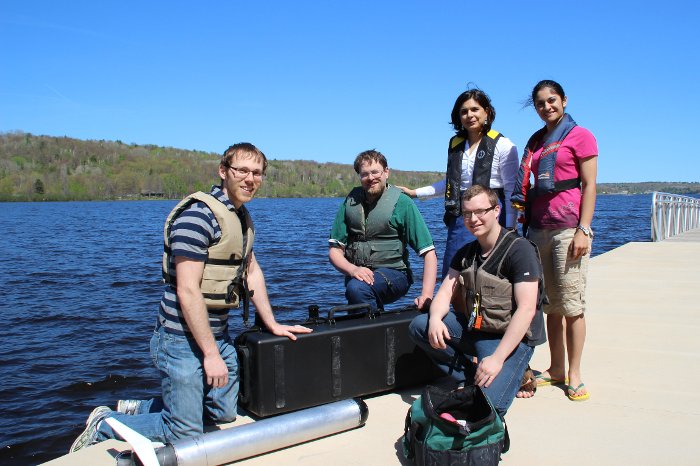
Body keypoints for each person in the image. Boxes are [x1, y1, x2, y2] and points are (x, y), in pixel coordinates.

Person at [70, 143, 312, 451]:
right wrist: (210, 356)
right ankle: (104, 424)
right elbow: (187, 290)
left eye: (257, 173)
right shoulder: (198, 217)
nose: (250, 179)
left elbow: (251, 273)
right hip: (180, 338)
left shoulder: (239, 218)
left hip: (217, 333)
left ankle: (142, 407)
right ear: (223, 172)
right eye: (242, 171)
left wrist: (273, 324)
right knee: (183, 435)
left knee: (223, 413)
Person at [409, 185, 545, 416]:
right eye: (467, 213)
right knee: (420, 326)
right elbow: (444, 293)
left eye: (480, 211)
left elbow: (526, 309)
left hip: (510, 339)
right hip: (478, 329)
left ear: (496, 210)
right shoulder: (466, 253)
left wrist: (497, 359)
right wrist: (434, 319)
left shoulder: (519, 250)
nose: (473, 219)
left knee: (488, 407)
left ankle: (516, 371)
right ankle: (470, 374)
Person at [511, 80, 598, 401]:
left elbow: (589, 185)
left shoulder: (581, 136)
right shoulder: (536, 141)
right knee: (550, 305)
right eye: (540, 103)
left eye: (552, 100)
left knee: (572, 304)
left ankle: (574, 374)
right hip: (537, 230)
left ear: (564, 100)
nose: (547, 107)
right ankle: (556, 367)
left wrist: (583, 229)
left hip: (567, 229)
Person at [397, 88, 519, 279]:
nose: (469, 115)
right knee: (455, 270)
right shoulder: (456, 145)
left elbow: (512, 188)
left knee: (489, 271)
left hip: (493, 213)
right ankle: (455, 307)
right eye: (464, 111)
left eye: (475, 109)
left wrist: (511, 227)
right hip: (462, 215)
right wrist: (415, 193)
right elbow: (451, 183)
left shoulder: (504, 145)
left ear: (486, 112)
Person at [329, 149, 438, 312]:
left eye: (375, 172)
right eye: (364, 174)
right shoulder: (350, 203)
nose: (370, 178)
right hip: (358, 277)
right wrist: (353, 269)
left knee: (357, 289)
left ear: (386, 172)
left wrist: (426, 296)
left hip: (396, 275)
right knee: (357, 291)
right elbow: (335, 251)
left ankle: (369, 333)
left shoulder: (403, 203)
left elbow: (429, 253)